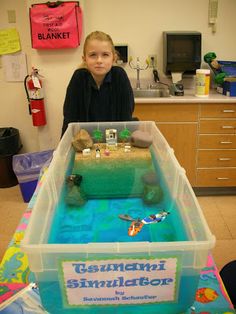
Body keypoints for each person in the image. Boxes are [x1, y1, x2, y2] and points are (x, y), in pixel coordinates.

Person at [61, 31, 134, 136]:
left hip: (115, 140)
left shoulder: (119, 76)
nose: (99, 60)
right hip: (86, 141)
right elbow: (69, 118)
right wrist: (63, 147)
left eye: (105, 55)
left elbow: (126, 117)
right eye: (93, 55)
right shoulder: (78, 78)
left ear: (113, 57)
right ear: (84, 59)